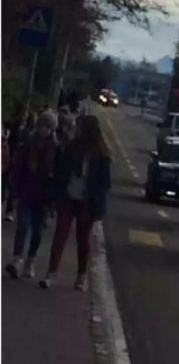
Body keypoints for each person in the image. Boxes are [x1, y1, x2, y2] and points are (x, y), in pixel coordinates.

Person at [40, 115, 111, 290]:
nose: (76, 130)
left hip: (86, 202)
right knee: (60, 235)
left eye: (79, 127)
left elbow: (104, 185)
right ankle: (51, 273)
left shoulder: (101, 155)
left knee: (83, 239)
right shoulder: (72, 148)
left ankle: (81, 276)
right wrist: (55, 196)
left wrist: (98, 209)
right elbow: (61, 172)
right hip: (69, 197)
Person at [5, 110, 58, 279]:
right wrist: (14, 192)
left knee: (37, 232)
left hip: (43, 197)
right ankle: (17, 260)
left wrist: (53, 201)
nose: (45, 129)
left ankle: (30, 261)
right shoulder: (28, 144)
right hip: (26, 192)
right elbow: (18, 168)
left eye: (49, 127)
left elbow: (58, 176)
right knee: (22, 227)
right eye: (43, 125)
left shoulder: (56, 149)